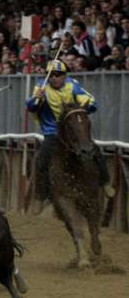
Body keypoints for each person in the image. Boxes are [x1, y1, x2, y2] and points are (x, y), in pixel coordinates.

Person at [26, 60, 115, 215]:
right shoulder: (41, 87)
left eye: (58, 75)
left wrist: (86, 103)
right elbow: (30, 105)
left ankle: (105, 181)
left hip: (72, 132)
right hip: (52, 133)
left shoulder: (73, 85)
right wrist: (36, 98)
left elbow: (91, 102)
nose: (54, 78)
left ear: (65, 75)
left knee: (94, 149)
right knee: (41, 160)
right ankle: (40, 197)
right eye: (51, 75)